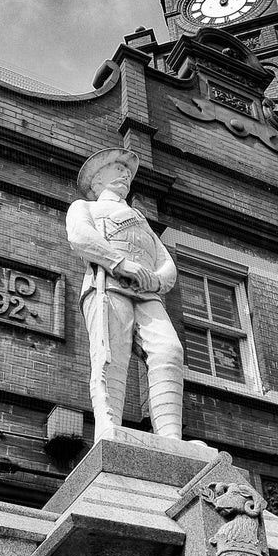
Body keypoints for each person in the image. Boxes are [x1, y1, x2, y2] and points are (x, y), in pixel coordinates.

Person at [66, 148, 184, 442]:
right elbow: (80, 236)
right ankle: (108, 428)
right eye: (117, 168)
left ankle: (170, 437)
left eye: (127, 172)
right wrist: (120, 263)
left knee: (169, 351)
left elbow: (165, 262)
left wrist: (156, 280)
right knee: (110, 357)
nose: (124, 175)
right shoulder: (85, 208)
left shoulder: (140, 219)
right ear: (96, 180)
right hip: (109, 285)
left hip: (147, 294)